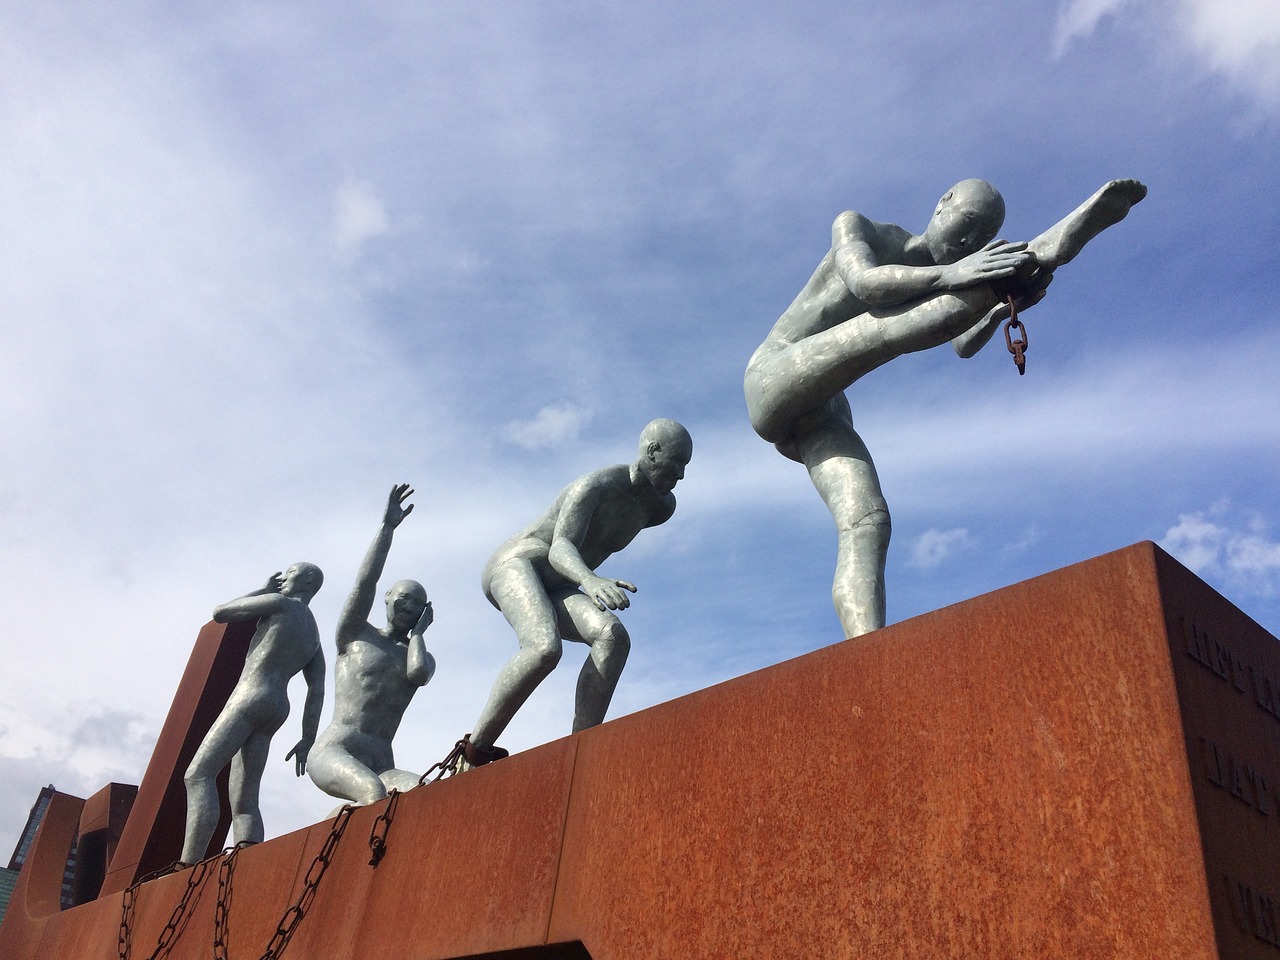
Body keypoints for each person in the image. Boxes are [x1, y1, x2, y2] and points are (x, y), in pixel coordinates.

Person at [744, 178, 1147, 639]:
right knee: (881, 331)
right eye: (969, 225)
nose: (969, 244)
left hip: (822, 412)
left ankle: (868, 652)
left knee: (869, 520)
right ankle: (1039, 252)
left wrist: (997, 311)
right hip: (772, 376)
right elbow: (867, 284)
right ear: (943, 205)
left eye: (980, 238)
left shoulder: (943, 279)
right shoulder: (861, 228)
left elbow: (960, 344)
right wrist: (961, 275)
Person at [463, 418, 693, 766]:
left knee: (612, 637)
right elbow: (560, 547)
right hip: (518, 564)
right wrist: (591, 580)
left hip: (561, 582)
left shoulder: (660, 509)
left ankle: (582, 748)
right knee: (544, 648)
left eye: (685, 466)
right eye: (676, 463)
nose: (680, 475)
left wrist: (586, 578)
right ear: (652, 452)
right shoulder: (597, 486)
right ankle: (475, 749)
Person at [181, 562, 325, 865]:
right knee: (245, 800)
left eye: (292, 571)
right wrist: (306, 738)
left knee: (198, 775)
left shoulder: (279, 603)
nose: (284, 577)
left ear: (309, 580)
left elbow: (221, 613)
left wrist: (263, 590)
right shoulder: (313, 634)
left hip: (251, 694)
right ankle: (248, 863)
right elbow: (317, 688)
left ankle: (187, 865)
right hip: (277, 706)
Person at [306, 484, 435, 805]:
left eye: (417, 604)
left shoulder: (417, 655)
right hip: (336, 749)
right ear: (388, 598)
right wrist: (387, 529)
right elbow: (366, 581)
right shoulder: (356, 634)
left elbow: (418, 675)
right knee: (372, 793)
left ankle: (334, 825)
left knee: (428, 792)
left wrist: (418, 635)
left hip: (381, 762)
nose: (408, 607)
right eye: (403, 598)